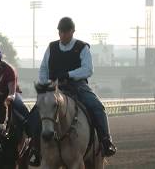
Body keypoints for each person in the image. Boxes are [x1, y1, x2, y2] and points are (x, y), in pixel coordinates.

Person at [38, 17, 117, 157]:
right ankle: (35, 148)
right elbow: (43, 69)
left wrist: (68, 74)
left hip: (77, 86)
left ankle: (106, 141)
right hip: (55, 88)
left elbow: (88, 69)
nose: (62, 35)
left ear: (72, 31)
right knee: (36, 112)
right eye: (60, 32)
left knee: (98, 107)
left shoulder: (82, 47)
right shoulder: (52, 47)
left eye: (65, 32)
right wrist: (45, 85)